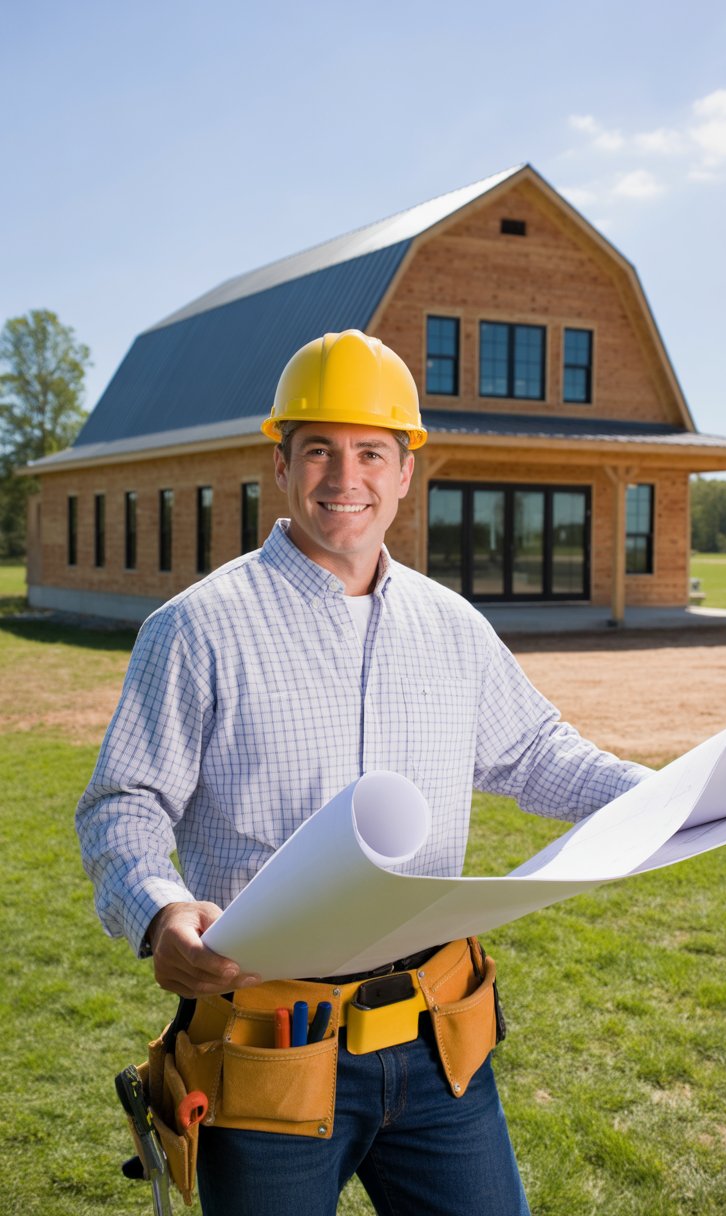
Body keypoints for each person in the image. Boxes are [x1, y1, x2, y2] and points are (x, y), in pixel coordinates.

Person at [77, 329, 651, 1216]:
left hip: (437, 1039)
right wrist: (159, 911)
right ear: (281, 463)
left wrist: (667, 799)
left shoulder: (451, 625)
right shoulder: (196, 629)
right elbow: (125, 802)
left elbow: (537, 753)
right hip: (269, 1042)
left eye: (372, 452)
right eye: (320, 450)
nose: (346, 477)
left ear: (406, 470)